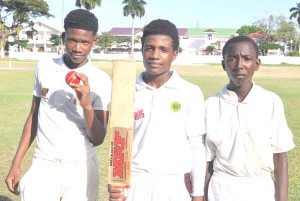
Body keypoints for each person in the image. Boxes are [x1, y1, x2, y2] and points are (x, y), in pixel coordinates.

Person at [5, 9, 111, 201]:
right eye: (72, 40)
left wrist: (86, 105)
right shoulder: (44, 67)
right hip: (43, 164)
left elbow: (98, 138)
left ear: (94, 42)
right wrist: (16, 162)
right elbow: (34, 116)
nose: (77, 48)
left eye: (85, 42)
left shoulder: (101, 80)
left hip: (82, 166)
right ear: (63, 37)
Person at [108, 19, 206, 201]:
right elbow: (117, 140)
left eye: (163, 50)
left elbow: (196, 147)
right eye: (149, 48)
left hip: (173, 184)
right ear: (142, 50)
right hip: (135, 183)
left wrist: (198, 194)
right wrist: (115, 182)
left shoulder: (190, 93)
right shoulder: (126, 90)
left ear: (174, 54)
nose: (155, 55)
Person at [204, 35, 295, 201]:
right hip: (222, 189)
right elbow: (207, 160)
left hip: (260, 189)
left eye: (246, 58)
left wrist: (282, 198)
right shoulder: (211, 104)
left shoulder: (270, 101)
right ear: (224, 65)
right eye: (232, 58)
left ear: (257, 64)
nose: (239, 65)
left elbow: (280, 154)